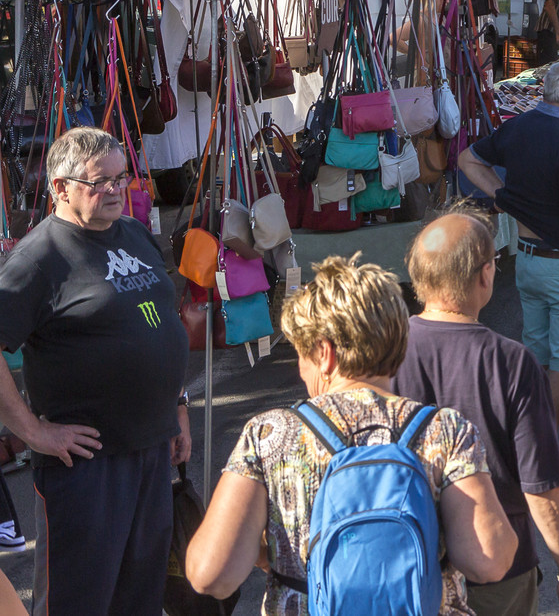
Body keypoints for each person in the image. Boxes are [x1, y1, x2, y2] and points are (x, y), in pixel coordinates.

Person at [186, 256, 518, 612]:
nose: (301, 368)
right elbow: (489, 561)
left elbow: (211, 574)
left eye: (302, 354)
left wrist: (268, 549)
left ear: (325, 354)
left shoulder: (269, 436)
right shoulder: (445, 430)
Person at [0, 126, 190, 615]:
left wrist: (178, 406)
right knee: (78, 601)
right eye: (99, 181)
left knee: (142, 597)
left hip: (151, 449)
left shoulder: (135, 233)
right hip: (85, 467)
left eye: (121, 177)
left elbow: (160, 321)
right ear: (60, 188)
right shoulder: (38, 258)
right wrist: (32, 432)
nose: (115, 190)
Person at [395, 211, 559, 616]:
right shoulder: (510, 362)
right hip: (497, 570)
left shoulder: (383, 354)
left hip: (406, 566)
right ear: (485, 275)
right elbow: (542, 487)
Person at [458, 60, 559, 482]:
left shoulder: (523, 126)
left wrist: (504, 196)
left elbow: (468, 159)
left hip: (529, 260)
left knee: (541, 356)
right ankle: (538, 452)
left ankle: (527, 443)